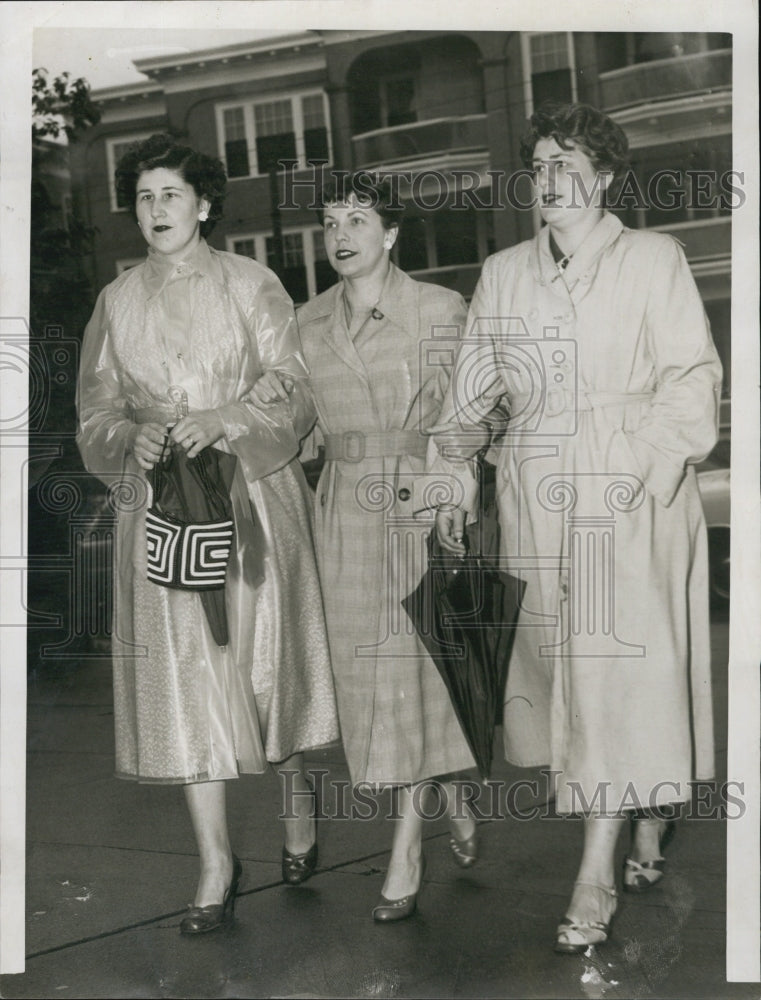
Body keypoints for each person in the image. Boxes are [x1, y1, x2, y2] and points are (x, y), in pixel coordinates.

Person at [431, 102, 723, 952]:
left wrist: (629, 472)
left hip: (626, 496)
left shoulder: (651, 259)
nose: (549, 182)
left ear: (603, 178)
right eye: (539, 166)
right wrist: (451, 481)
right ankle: (640, 808)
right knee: (566, 680)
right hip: (532, 491)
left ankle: (593, 868)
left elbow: (690, 380)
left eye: (567, 165)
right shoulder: (504, 271)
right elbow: (466, 404)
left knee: (611, 678)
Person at [76, 134, 340, 935]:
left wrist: (226, 418)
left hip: (251, 495)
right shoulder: (117, 302)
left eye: (171, 195)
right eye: (145, 197)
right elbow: (96, 409)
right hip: (161, 512)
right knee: (187, 679)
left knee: (267, 669)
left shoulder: (251, 284)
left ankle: (298, 815)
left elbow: (294, 387)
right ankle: (216, 863)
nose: (157, 210)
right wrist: (132, 438)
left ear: (203, 205)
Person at [253, 173, 481, 922]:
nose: (340, 234)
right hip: (342, 508)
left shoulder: (439, 310)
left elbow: (471, 415)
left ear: (390, 235)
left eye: (357, 219)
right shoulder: (304, 322)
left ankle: (407, 847)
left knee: (410, 669)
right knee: (368, 682)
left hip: (417, 500)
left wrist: (453, 492)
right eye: (329, 222)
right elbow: (290, 422)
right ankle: (449, 782)